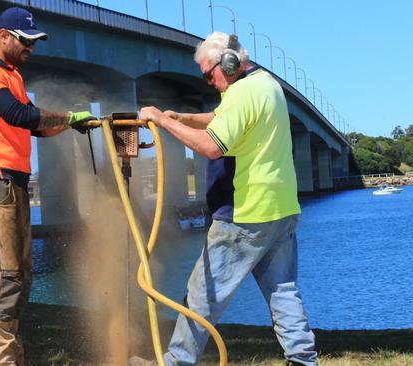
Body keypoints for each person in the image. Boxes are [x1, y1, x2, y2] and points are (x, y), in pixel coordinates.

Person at [134, 32, 319, 366]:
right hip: (281, 210)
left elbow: (211, 146)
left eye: (209, 74)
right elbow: (228, 120)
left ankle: (176, 362)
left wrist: (160, 121)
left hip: (243, 214)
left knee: (202, 294)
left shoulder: (240, 93)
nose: (209, 82)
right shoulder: (265, 84)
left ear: (230, 62)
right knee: (283, 291)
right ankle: (303, 359)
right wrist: (182, 117)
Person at [0, 7, 94, 366]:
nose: (30, 49)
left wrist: (74, 124)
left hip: (13, 184)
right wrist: (67, 117)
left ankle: (11, 356)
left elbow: (34, 126)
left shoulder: (13, 76)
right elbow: (17, 115)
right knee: (2, 276)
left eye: (34, 43)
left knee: (20, 276)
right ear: (3, 35)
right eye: (25, 41)